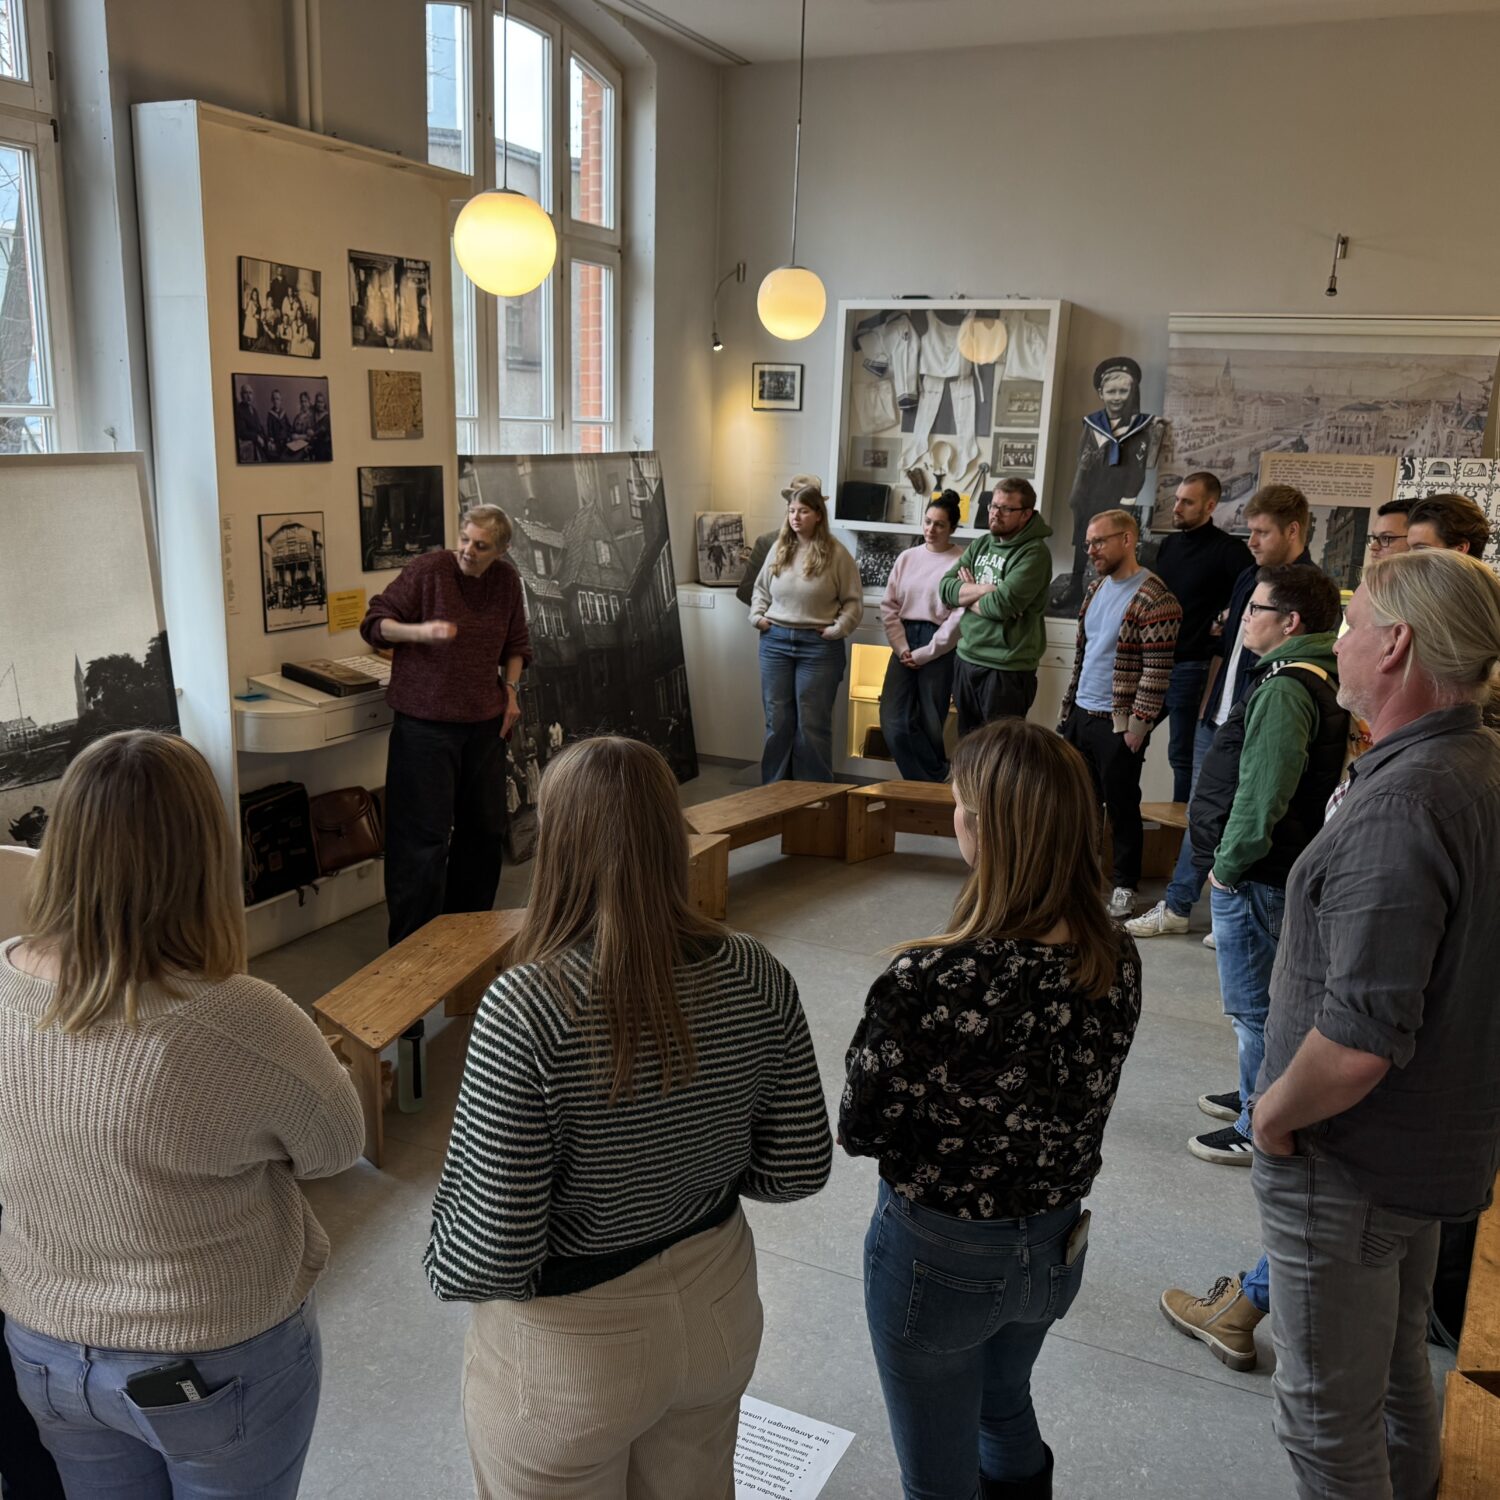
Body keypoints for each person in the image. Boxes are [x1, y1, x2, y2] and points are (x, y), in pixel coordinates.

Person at [425, 736, 832, 1499]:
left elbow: (489, 1258)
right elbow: (797, 1170)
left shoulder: (526, 1008)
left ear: (559, 845)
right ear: (672, 833)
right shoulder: (756, 970)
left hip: (571, 1354)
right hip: (718, 1306)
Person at [0, 731, 364, 1498]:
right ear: (204, 853)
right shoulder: (244, 1017)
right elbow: (337, 1146)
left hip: (44, 1347)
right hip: (210, 1353)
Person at [1244, 550, 1500, 1499]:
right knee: (1395, 1371)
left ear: (1396, 646)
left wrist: (1273, 1119)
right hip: (1419, 1145)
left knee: (1323, 1421)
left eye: (1351, 628)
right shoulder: (1472, 762)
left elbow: (1358, 1042)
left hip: (1348, 1156)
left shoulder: (1404, 801)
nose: (1337, 643)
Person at [840, 719, 1142, 1500]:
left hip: (939, 1257)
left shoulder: (927, 979)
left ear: (984, 831)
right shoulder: (1114, 955)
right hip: (1053, 1245)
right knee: (1004, 1408)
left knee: (937, 1480)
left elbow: (860, 1127)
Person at [1175, 566, 1350, 1166]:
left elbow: (1263, 795)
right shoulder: (1313, 673)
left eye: (1255, 608)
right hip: (1273, 871)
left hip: (1258, 874)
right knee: (1266, 1004)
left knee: (1256, 1009)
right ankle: (1256, 1090)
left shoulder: (1285, 688)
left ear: (1290, 622)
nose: (1242, 618)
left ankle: (1258, 1122)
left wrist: (1227, 867)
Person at [1128, 483, 1319, 941]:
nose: (1251, 541)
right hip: (1220, 715)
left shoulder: (1309, 589)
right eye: (1249, 531)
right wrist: (1210, 702)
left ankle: (1229, 915)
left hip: (1264, 717)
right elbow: (1231, 647)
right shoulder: (1248, 575)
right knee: (1204, 812)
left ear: (1293, 531)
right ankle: (1179, 906)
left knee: (1250, 815)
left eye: (1261, 532)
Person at [361, 504, 531, 946]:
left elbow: (516, 644)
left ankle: (466, 941)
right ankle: (413, 948)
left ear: (501, 550)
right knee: (423, 840)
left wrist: (511, 691)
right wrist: (421, 633)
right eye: (465, 539)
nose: (468, 550)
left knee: (484, 833)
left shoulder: (506, 581)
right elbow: (374, 624)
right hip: (425, 726)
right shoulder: (429, 570)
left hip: (484, 724)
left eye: (481, 545)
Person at [1058, 509, 1181, 919]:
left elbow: (1157, 669)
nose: (1091, 550)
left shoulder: (1155, 597)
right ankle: (1081, 879)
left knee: (1122, 806)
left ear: (1128, 540)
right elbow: (1086, 655)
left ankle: (1125, 884)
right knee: (1080, 804)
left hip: (1118, 723)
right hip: (1081, 713)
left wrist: (1138, 725)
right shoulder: (1095, 589)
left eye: (1099, 542)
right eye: (1088, 543)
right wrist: (1069, 711)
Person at [749, 481, 862, 783]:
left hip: (818, 647)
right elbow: (760, 589)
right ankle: (774, 791)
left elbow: (853, 601)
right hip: (775, 642)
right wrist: (757, 617)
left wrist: (838, 629)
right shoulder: (779, 548)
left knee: (812, 724)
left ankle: (815, 795)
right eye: (791, 511)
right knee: (777, 721)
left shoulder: (837, 554)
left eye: (803, 511)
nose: (796, 517)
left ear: (818, 515)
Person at [1150, 472, 1253, 802]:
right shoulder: (1168, 545)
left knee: (1182, 755)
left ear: (1210, 506)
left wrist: (1224, 618)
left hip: (1193, 666)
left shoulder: (1228, 551)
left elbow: (1251, 594)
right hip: (1154, 663)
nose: (1177, 507)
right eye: (1177, 499)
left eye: (1187, 502)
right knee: (1126, 739)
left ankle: (1180, 827)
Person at [938, 478, 1054, 733]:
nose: (995, 513)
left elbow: (1000, 605)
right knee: (967, 744)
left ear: (1026, 514)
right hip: (967, 658)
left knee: (999, 748)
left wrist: (966, 597)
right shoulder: (981, 544)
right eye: (993, 506)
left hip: (1006, 669)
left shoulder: (1034, 553)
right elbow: (945, 589)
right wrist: (985, 590)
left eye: (1006, 508)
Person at [1057, 357, 1163, 611]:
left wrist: (1127, 500)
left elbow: (1138, 468)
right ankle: (1075, 584)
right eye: (1111, 391)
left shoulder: (1140, 426)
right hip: (1089, 494)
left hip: (1117, 497)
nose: (1117, 397)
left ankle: (1109, 591)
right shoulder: (1092, 424)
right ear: (1101, 393)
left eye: (1123, 391)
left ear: (1132, 392)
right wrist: (1077, 496)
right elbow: (1081, 459)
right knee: (1083, 541)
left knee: (1112, 545)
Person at [877, 491, 964, 780]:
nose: (931, 529)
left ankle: (922, 791)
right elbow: (889, 605)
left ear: (952, 528)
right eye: (927, 521)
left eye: (939, 524)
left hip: (938, 642)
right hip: (903, 638)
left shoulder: (961, 561)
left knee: (931, 723)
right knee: (893, 720)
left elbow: (960, 615)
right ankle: (938, 777)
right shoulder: (907, 557)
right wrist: (901, 646)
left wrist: (928, 651)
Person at [736, 472, 818, 609]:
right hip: (775, 621)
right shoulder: (768, 543)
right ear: (788, 507)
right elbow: (746, 591)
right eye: (793, 507)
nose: (797, 515)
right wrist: (776, 613)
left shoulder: (830, 548)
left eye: (805, 509)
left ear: (818, 513)